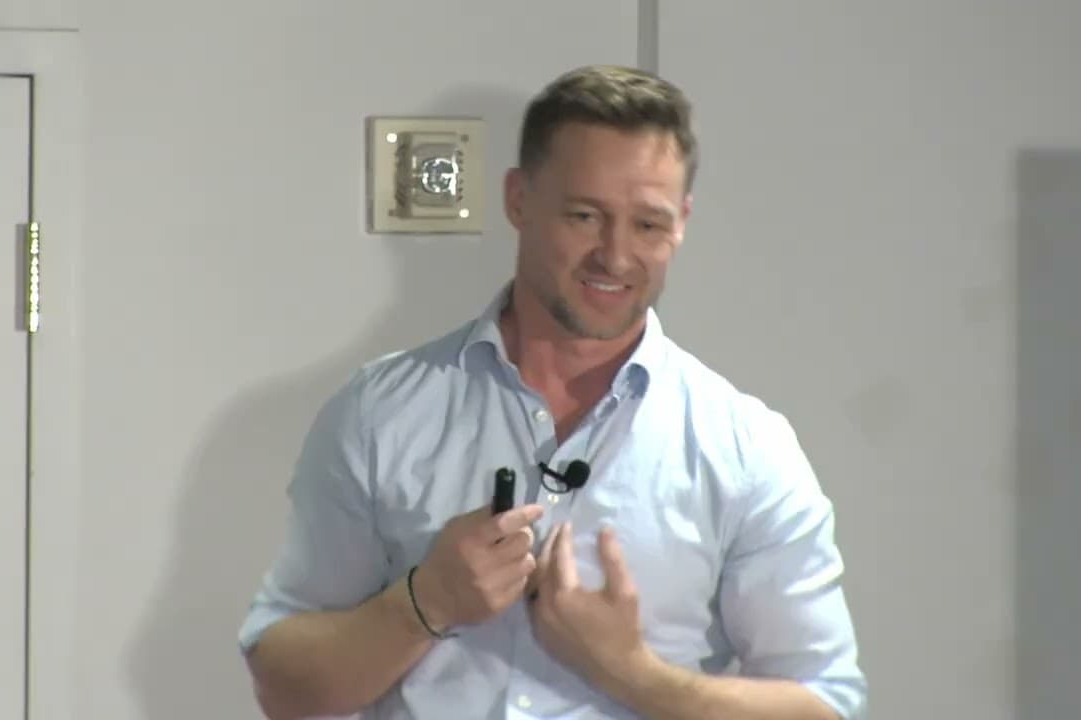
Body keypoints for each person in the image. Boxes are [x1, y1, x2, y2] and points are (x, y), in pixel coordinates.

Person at [237, 65, 867, 720]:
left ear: (682, 222)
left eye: (648, 225)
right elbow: (284, 687)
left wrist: (633, 674)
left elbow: (825, 706)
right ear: (518, 200)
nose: (615, 256)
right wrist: (423, 603)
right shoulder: (379, 414)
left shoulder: (744, 449)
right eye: (585, 215)